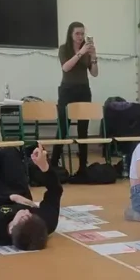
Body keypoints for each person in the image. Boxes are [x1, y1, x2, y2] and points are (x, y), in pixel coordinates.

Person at [0, 145, 61, 250]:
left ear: (11, 229)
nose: (27, 211)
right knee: (10, 151)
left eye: (24, 217)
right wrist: (45, 167)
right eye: (31, 215)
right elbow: (55, 191)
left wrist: (10, 197)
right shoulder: (45, 224)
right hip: (18, 189)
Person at [53, 22, 98, 172]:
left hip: (83, 90)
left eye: (82, 33)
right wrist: (80, 53)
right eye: (77, 33)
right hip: (67, 90)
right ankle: (53, 164)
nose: (80, 37)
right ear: (71, 34)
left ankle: (83, 167)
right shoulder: (64, 49)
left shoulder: (87, 50)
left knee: (83, 130)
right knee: (63, 128)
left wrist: (93, 56)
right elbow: (66, 67)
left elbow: (94, 73)